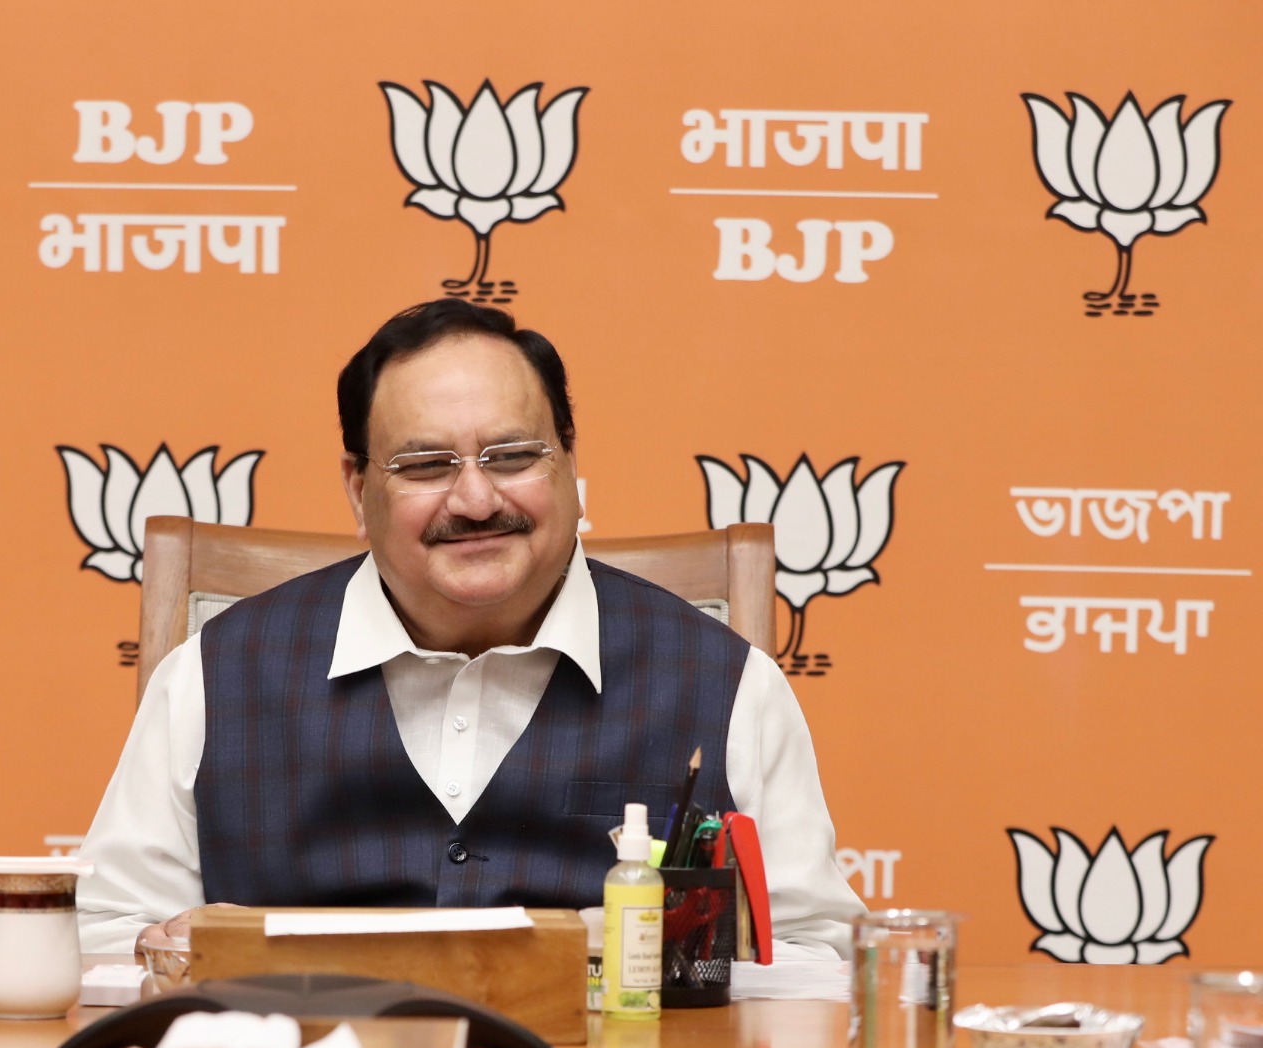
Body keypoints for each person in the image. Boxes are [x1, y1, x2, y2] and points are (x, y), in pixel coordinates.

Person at [76, 298, 864, 957]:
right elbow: (109, 934)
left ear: (569, 460)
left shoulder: (724, 684)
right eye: (424, 465)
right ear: (358, 489)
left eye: (514, 455)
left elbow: (811, 956)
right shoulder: (215, 675)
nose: (477, 500)